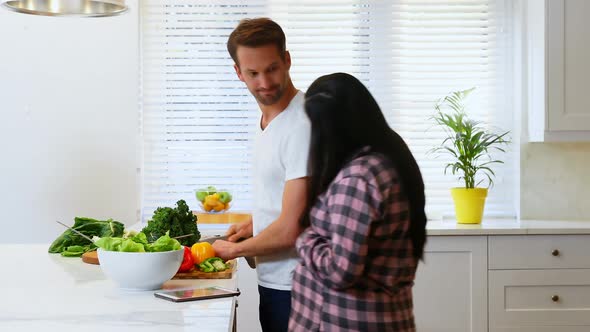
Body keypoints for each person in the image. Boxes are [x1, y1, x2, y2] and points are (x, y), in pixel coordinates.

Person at [288, 72, 428, 332]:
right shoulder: (388, 158)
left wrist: (304, 239)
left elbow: (339, 271)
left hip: (344, 321)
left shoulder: (357, 180)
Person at [211, 18, 310, 332]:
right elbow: (292, 201)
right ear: (238, 72)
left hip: (301, 286)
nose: (265, 82)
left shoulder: (302, 124)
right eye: (253, 73)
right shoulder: (270, 122)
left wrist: (234, 250)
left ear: (287, 60)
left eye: (272, 69)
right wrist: (257, 223)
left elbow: (293, 227)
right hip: (276, 280)